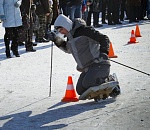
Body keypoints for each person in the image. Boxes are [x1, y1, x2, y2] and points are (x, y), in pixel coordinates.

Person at [49, 14, 120, 96]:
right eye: (59, 31)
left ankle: (110, 80)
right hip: (88, 68)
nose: (61, 32)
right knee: (81, 90)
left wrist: (104, 52)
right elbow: (68, 49)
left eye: (61, 29)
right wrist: (56, 39)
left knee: (88, 83)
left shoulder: (85, 30)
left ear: (66, 25)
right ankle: (101, 89)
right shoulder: (70, 37)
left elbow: (104, 38)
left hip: (99, 63)